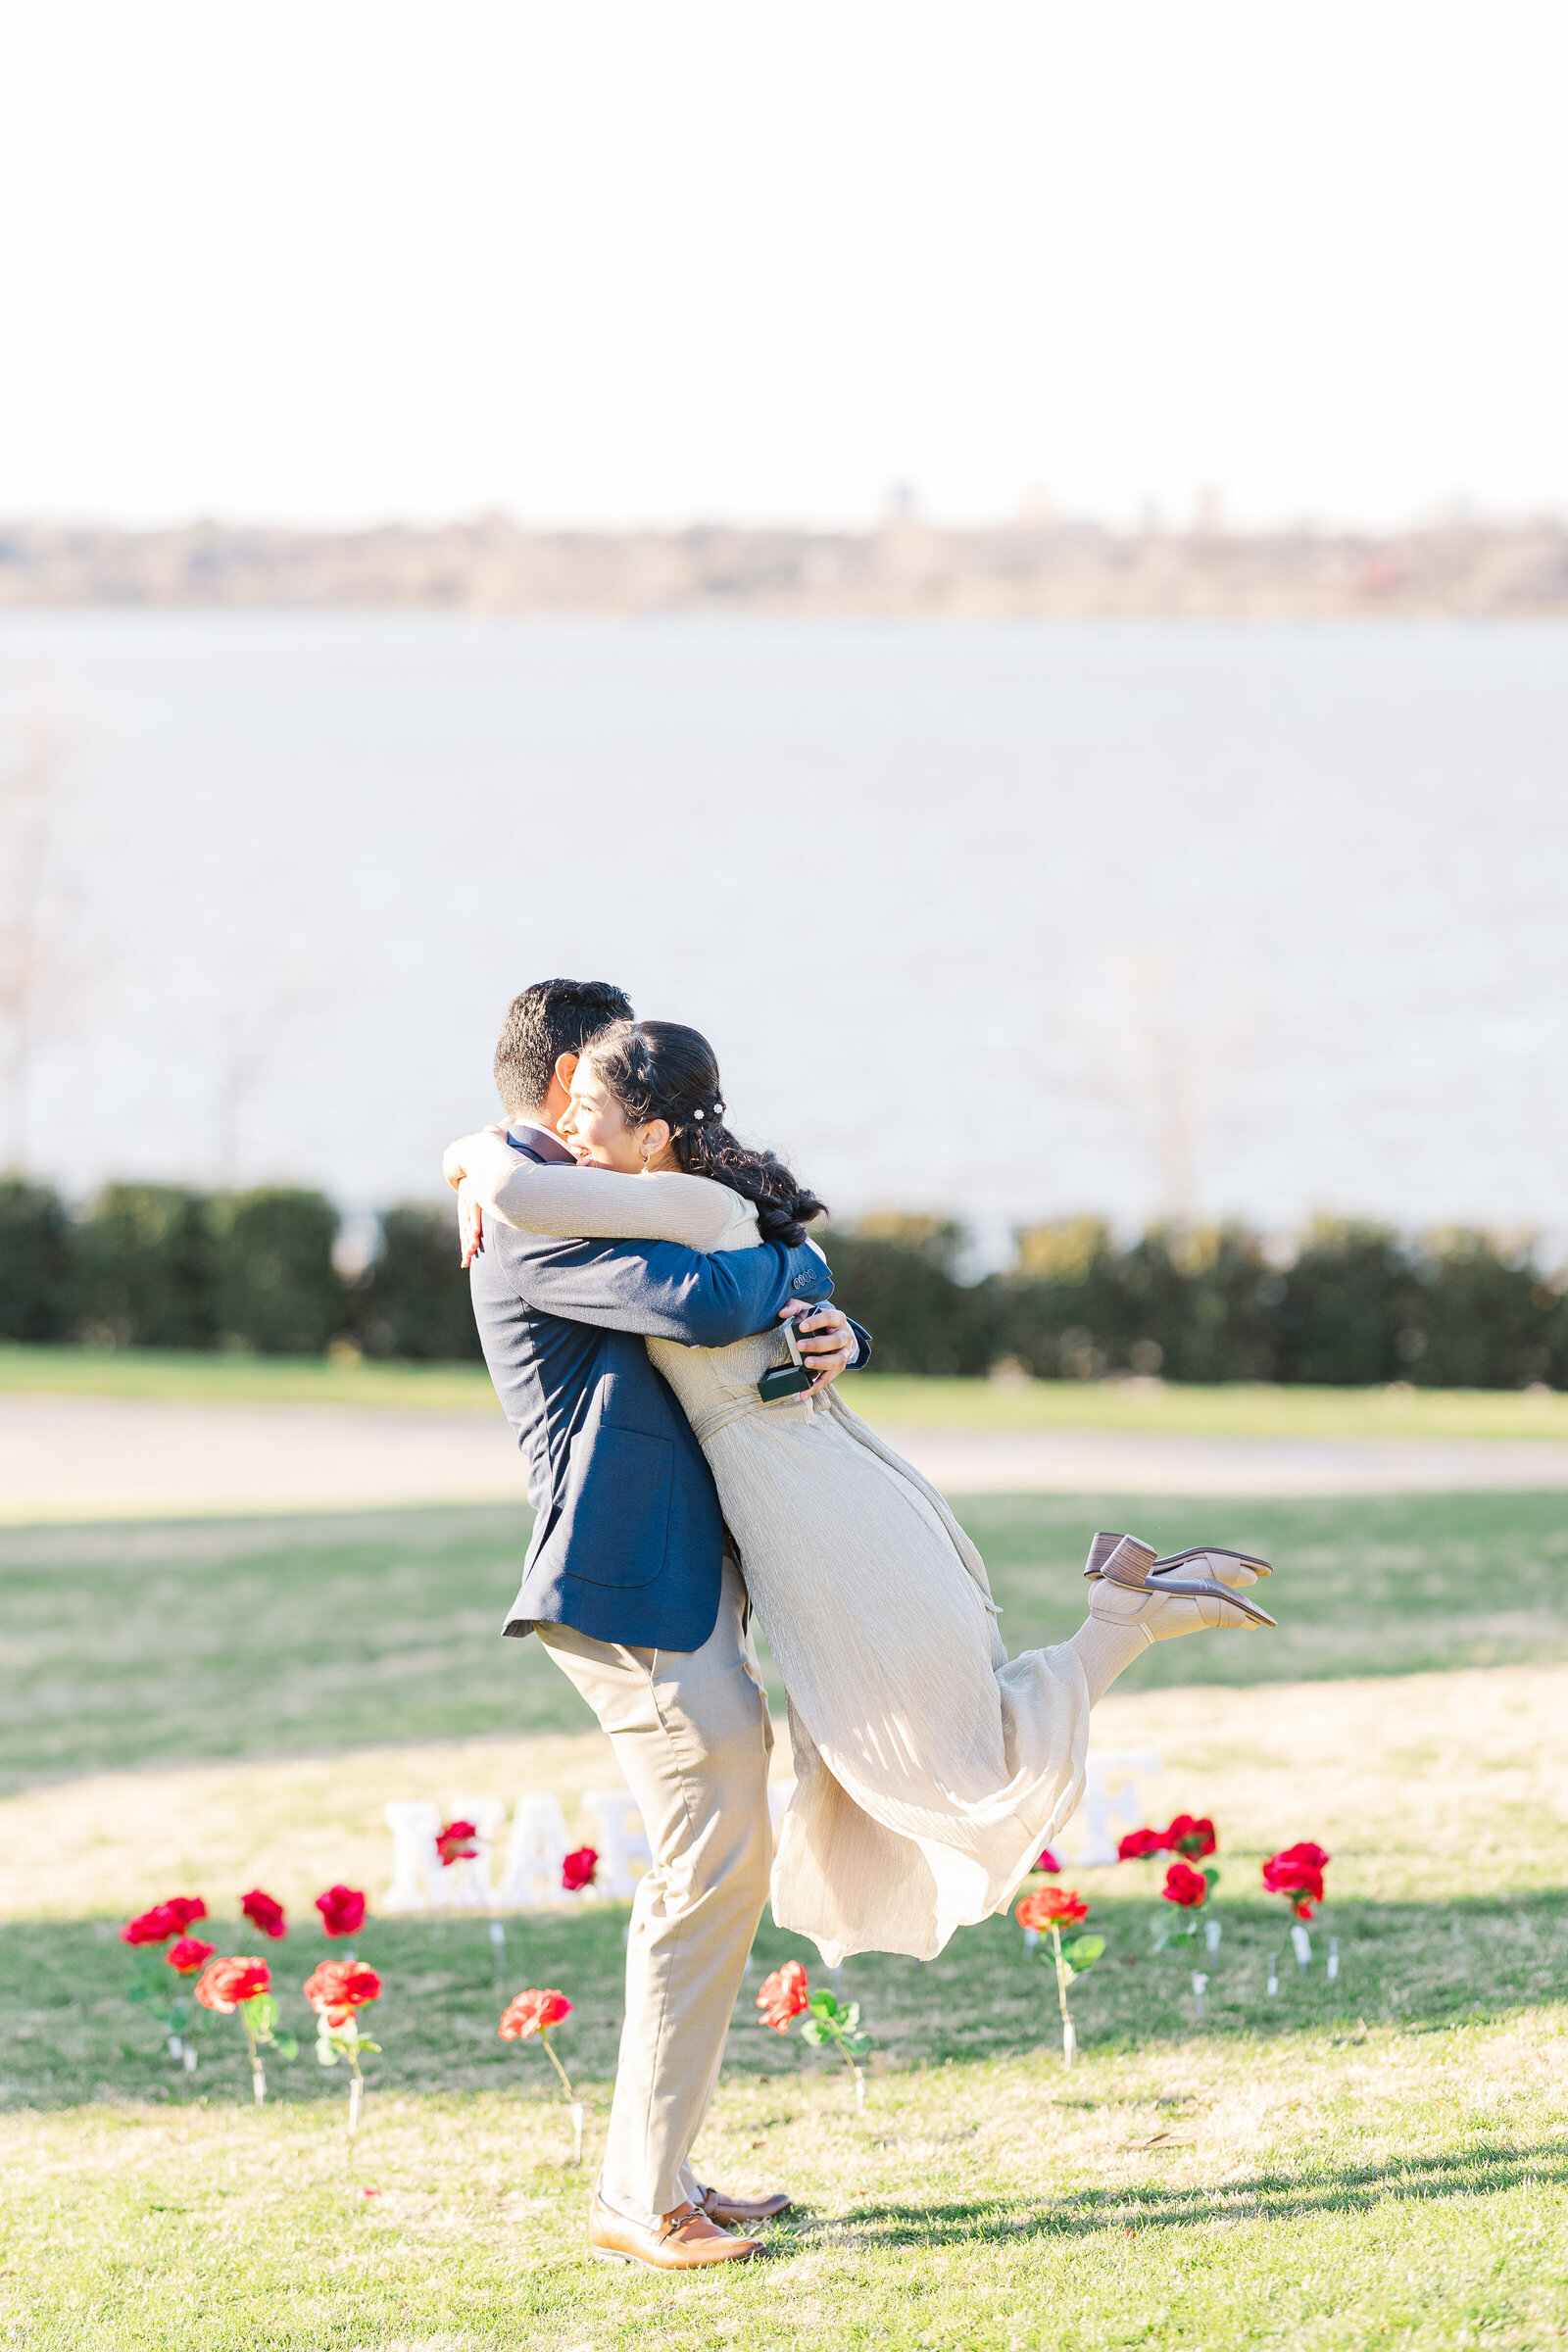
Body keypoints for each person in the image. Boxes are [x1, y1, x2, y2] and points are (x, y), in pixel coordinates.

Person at [445, 1016, 1276, 1988]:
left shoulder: (672, 1202)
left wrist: (465, 1152)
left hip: (812, 1506)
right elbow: (779, 1268)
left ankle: (1123, 1617)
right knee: (921, 1734)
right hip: (832, 1480)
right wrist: (819, 1295)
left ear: (656, 1131)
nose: (576, 1130)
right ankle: (1126, 1612)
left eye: (592, 1111)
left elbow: (526, 1195)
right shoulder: (693, 1200)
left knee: (927, 1753)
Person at [463, 980, 869, 2275]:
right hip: (627, 1584)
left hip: (679, 1576)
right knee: (709, 1852)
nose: (638, 1098)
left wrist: (828, 1318)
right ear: (567, 1075)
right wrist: (788, 1261)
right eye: (613, 1070)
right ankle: (642, 2197)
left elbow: (743, 1295)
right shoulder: (520, 1217)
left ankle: (664, 2170)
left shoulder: (583, 1192)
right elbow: (703, 1302)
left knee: (716, 1856)